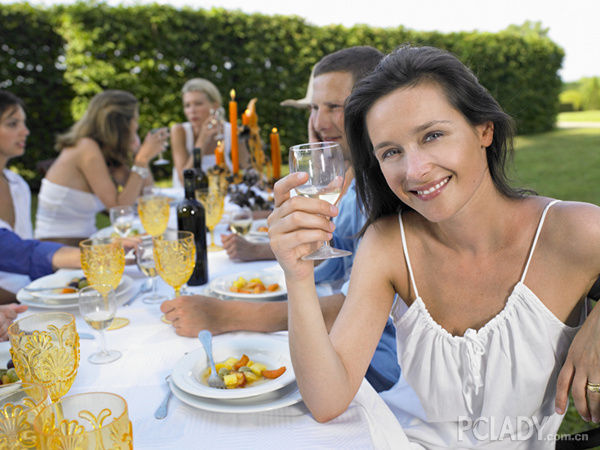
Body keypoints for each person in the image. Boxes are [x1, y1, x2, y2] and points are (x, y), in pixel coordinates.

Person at [268, 44, 600, 447]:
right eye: (391, 151)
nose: (415, 170)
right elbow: (326, 400)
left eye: (433, 135)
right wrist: (298, 273)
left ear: (484, 129)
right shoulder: (389, 244)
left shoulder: (570, 231)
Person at [161, 46, 401, 393]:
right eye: (314, 108)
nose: (319, 121)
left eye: (334, 106)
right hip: (341, 346)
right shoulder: (360, 178)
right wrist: (324, 157)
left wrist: (227, 315)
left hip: (378, 368)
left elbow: (361, 304)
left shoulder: (393, 189)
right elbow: (334, 262)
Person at [34, 90, 166, 245]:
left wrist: (141, 155)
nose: (137, 125)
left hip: (85, 240)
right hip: (59, 246)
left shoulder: (104, 151)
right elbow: (118, 208)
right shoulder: (85, 148)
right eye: (135, 120)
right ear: (121, 124)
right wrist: (141, 160)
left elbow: (145, 195)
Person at [0, 90, 34, 302]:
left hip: (28, 295)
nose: (25, 131)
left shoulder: (18, 185)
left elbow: (28, 250)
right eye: (13, 124)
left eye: (23, 123)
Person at [171, 78, 236, 189]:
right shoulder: (179, 131)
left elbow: (247, 170)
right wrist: (203, 139)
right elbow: (183, 179)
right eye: (187, 105)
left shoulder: (231, 130)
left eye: (198, 104)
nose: (192, 110)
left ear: (215, 106)